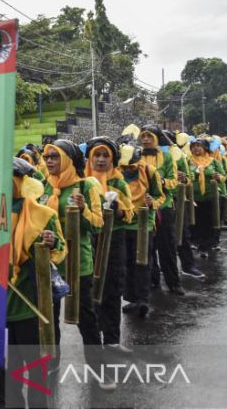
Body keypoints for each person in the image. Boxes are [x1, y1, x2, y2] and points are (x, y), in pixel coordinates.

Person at [40, 139, 113, 390]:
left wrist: (82, 210)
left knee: (86, 320)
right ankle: (52, 365)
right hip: (48, 264)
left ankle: (100, 371)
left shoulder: (85, 186)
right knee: (48, 319)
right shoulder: (42, 186)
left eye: (54, 157)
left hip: (77, 264)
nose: (49, 161)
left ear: (69, 159)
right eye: (47, 157)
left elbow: (98, 224)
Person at [0, 157, 66, 409]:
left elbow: (60, 249)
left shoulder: (43, 215)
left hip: (29, 306)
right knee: (4, 370)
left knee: (35, 370)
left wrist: (51, 242)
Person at [84, 137, 134, 353]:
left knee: (113, 287)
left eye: (106, 156)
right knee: (90, 290)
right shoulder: (81, 182)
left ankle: (112, 339)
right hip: (89, 240)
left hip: (114, 240)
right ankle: (93, 340)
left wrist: (118, 208)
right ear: (90, 158)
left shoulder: (119, 182)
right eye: (97, 155)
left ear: (113, 159)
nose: (101, 160)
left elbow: (129, 214)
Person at [118, 144, 165, 318]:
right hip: (123, 222)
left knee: (143, 262)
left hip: (144, 223)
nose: (128, 169)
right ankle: (132, 298)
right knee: (127, 262)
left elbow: (161, 195)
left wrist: (153, 202)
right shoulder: (116, 173)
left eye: (131, 166)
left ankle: (143, 299)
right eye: (125, 166)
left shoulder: (150, 171)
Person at [139, 125, 184, 295]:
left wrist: (161, 182)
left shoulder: (166, 156)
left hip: (163, 207)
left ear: (157, 138)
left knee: (167, 246)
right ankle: (152, 281)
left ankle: (174, 282)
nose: (145, 140)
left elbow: (174, 181)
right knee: (147, 247)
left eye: (149, 136)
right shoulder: (135, 156)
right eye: (143, 136)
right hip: (143, 209)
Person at [166, 131, 204, 279]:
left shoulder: (180, 156)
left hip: (177, 199)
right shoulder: (150, 157)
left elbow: (190, 177)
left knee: (183, 234)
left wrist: (184, 178)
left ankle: (188, 265)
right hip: (157, 202)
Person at [188, 138, 226, 257]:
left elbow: (224, 176)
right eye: (193, 146)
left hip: (211, 197)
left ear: (205, 148)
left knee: (211, 220)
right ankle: (198, 242)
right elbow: (185, 175)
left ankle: (210, 243)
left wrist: (218, 176)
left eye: (199, 146)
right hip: (194, 197)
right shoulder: (188, 161)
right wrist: (192, 174)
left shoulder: (213, 162)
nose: (196, 148)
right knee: (196, 220)